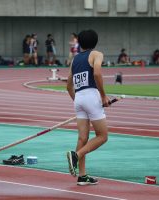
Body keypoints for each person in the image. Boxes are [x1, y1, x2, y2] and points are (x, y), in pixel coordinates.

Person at [66, 29, 109, 186]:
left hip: (78, 98)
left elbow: (68, 86)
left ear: (80, 43)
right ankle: (76, 155)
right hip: (91, 95)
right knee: (102, 136)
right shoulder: (96, 54)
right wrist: (103, 96)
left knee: (82, 138)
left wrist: (78, 101)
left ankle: (82, 176)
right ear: (95, 42)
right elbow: (97, 73)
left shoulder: (75, 59)